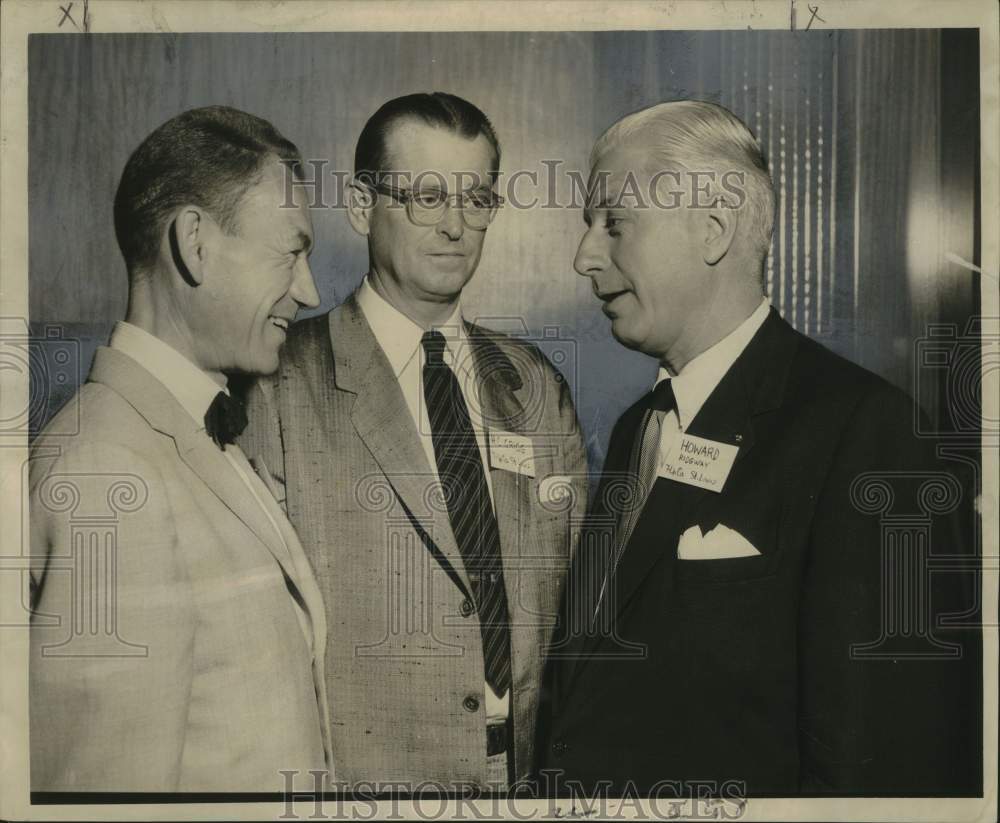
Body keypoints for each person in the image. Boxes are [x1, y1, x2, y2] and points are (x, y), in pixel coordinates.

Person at [539, 100, 980, 797]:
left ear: (712, 230)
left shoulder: (869, 432)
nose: (584, 256)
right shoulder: (638, 428)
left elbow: (889, 763)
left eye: (613, 224)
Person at [239, 92, 588, 791]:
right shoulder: (277, 385)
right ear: (364, 208)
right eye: (427, 197)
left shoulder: (533, 384)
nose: (456, 226)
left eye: (476, 198)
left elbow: (580, 607)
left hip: (532, 780)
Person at [29, 106, 331, 791]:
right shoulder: (109, 472)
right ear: (194, 243)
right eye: (291, 250)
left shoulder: (195, 431)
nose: (310, 291)